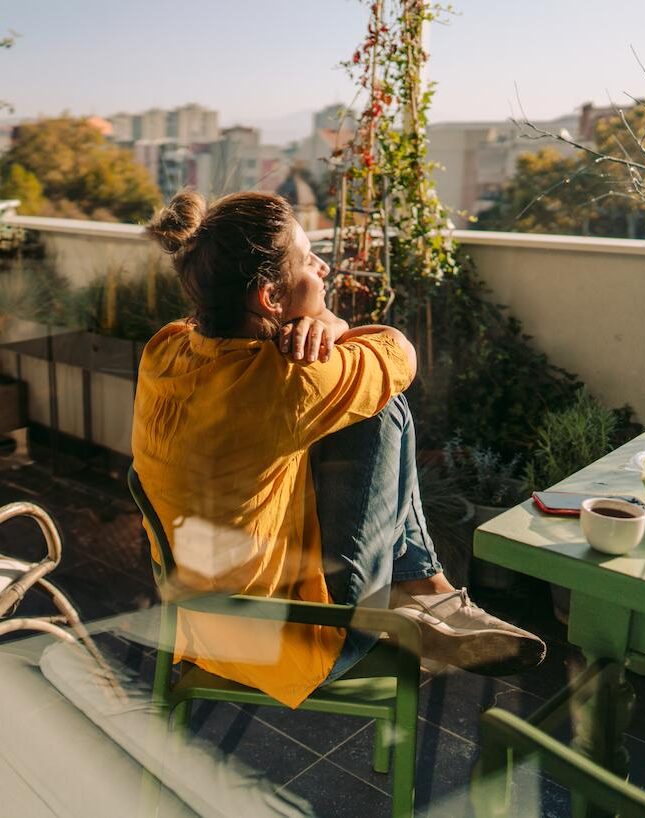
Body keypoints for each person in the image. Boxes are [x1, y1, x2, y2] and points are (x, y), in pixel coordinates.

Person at [132, 190, 545, 709]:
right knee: (383, 408)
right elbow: (400, 355)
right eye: (308, 259)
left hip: (198, 626)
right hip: (292, 641)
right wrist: (331, 326)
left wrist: (322, 324)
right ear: (269, 298)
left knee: (349, 411)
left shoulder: (165, 349)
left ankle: (424, 594)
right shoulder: (290, 382)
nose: (323, 267)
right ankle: (422, 593)